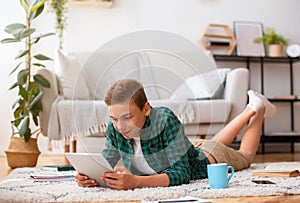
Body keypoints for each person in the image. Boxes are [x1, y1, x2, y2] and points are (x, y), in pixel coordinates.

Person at [76, 79, 276, 190]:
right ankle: (251, 107)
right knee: (215, 142)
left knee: (245, 157)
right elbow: (104, 162)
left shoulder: (164, 119)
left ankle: (256, 109)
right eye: (114, 118)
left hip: (206, 158)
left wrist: (136, 182)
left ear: (146, 108)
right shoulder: (116, 127)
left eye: (127, 117)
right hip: (187, 147)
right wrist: (89, 176)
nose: (120, 126)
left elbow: (182, 174)